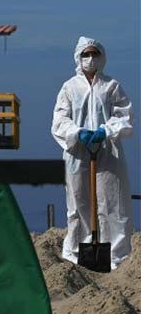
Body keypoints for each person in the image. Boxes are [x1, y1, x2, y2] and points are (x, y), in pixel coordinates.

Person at [51, 36, 133, 270]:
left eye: (94, 53)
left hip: (108, 152)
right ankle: (76, 256)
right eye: (85, 54)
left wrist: (105, 130)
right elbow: (59, 120)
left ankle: (117, 257)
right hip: (78, 153)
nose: (90, 58)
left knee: (112, 203)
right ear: (78, 57)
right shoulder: (69, 87)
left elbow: (125, 118)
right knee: (78, 203)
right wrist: (77, 133)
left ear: (102, 56)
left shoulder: (112, 86)